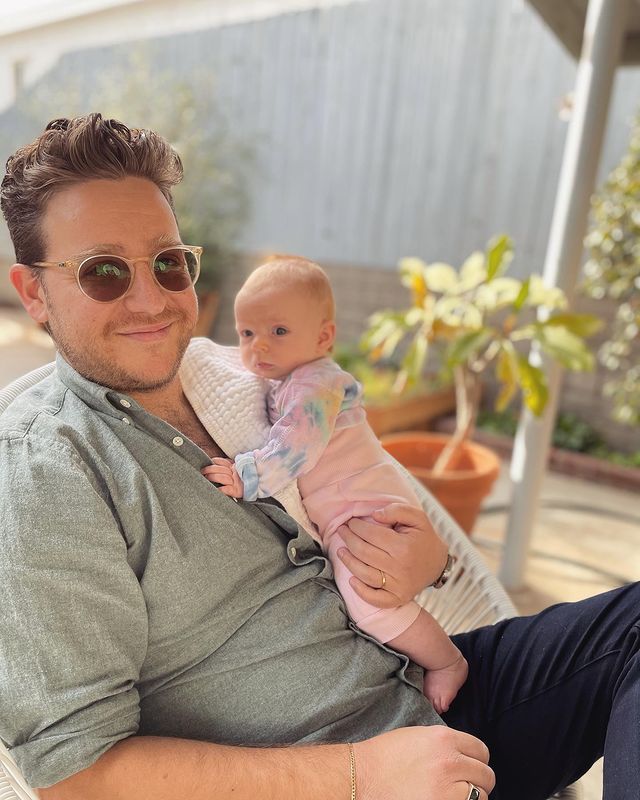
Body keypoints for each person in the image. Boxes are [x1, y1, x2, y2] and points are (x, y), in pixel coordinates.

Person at [0, 114, 638, 800]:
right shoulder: (48, 471)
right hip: (326, 770)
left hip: (416, 687)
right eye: (103, 273)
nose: (152, 299)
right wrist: (362, 774)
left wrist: (428, 558)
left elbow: (351, 477)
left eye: (168, 262)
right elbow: (77, 775)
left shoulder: (232, 379)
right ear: (33, 290)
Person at [201, 255, 467, 715]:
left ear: (323, 337)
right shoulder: (286, 379)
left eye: (278, 331)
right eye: (247, 333)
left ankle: (446, 660)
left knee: (368, 603)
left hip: (367, 508)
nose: (258, 345)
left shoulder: (316, 385)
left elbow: (298, 444)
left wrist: (248, 475)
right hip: (352, 505)